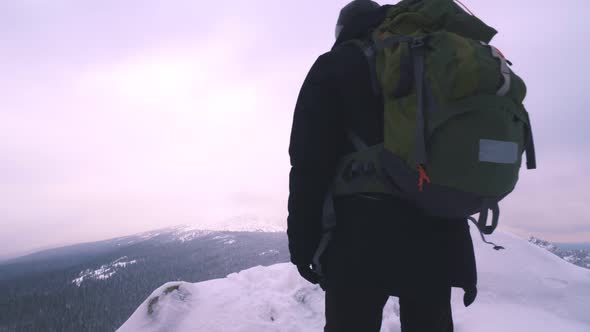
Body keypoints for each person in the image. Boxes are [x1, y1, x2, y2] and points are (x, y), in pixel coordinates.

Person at [287, 1, 478, 331]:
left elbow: (309, 162)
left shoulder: (336, 65)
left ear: (343, 30)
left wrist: (303, 244)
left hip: (360, 235)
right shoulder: (430, 60)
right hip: (436, 230)